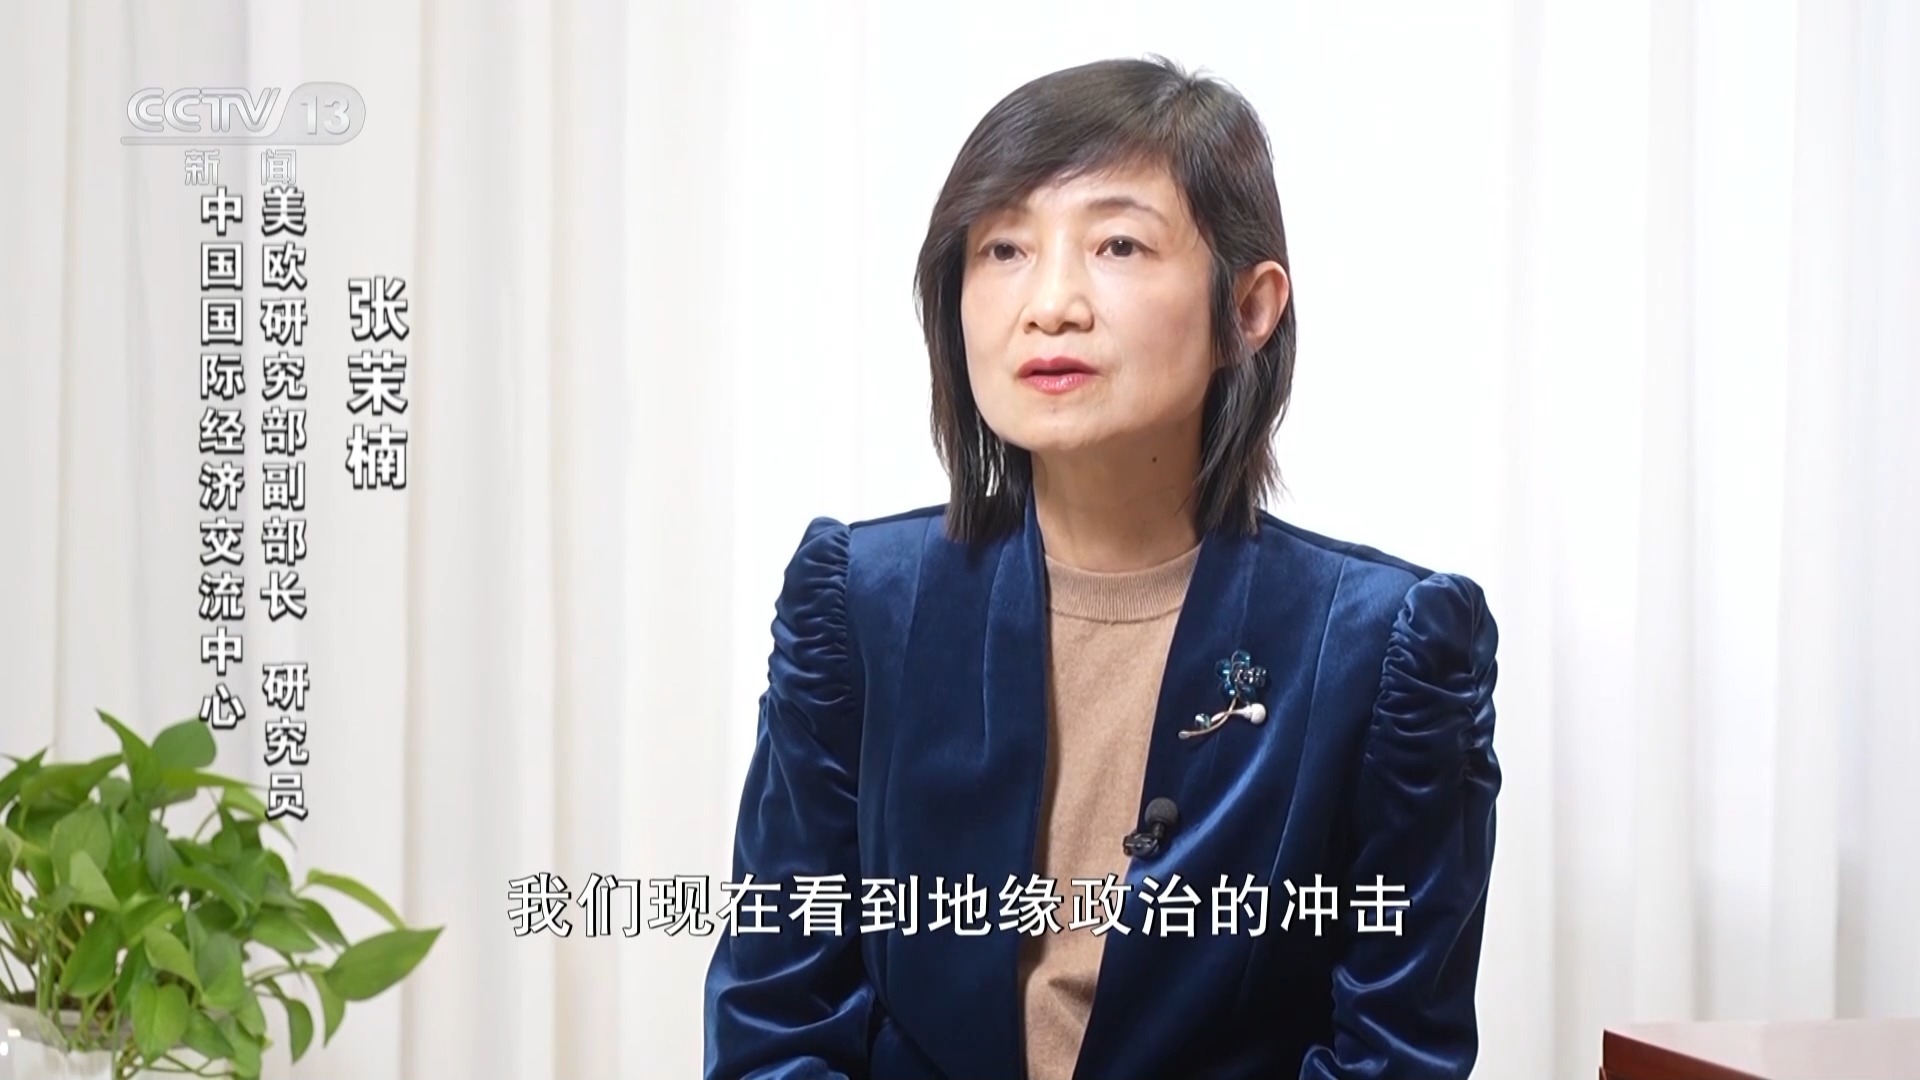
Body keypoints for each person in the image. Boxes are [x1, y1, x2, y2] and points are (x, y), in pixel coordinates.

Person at [703, 54, 1501, 1080]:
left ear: (1249, 308)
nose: (1051, 304)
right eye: (1003, 248)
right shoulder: (859, 604)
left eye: (1118, 244)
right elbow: (776, 1017)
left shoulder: (1384, 651)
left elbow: (1394, 1056)